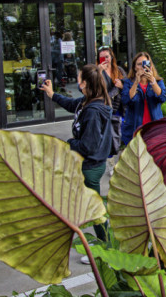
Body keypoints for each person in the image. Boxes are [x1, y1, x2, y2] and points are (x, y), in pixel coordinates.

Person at [40, 64, 112, 262]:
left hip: (90, 167)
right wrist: (52, 94)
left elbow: (88, 146)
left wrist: (69, 144)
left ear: (85, 84)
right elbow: (72, 105)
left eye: (79, 78)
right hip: (87, 165)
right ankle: (101, 245)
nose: (77, 81)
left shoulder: (93, 111)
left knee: (95, 210)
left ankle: (104, 249)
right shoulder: (87, 102)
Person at [121, 52, 166, 145]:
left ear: (150, 65)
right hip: (135, 128)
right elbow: (126, 100)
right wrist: (136, 82)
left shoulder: (158, 81)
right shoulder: (128, 82)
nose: (143, 66)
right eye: (139, 64)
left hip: (153, 128)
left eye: (145, 63)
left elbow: (163, 97)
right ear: (135, 67)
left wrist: (153, 82)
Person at [98, 47, 126, 146]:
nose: (105, 60)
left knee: (120, 132)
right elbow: (97, 90)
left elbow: (127, 85)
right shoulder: (97, 72)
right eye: (102, 58)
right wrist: (99, 72)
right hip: (107, 107)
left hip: (120, 106)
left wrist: (122, 86)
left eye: (107, 57)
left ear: (111, 57)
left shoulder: (119, 70)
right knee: (109, 135)